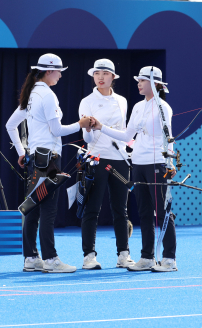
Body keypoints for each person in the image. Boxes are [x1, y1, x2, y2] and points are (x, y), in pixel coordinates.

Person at [5, 53, 91, 273]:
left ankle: (31, 258)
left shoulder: (32, 94)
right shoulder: (47, 95)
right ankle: (50, 259)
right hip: (49, 160)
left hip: (36, 158)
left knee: (33, 207)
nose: (61, 76)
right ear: (50, 71)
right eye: (59, 71)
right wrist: (80, 125)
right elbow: (56, 130)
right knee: (48, 210)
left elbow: (10, 125)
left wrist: (22, 151)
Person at [90, 66, 177, 272]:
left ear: (155, 84)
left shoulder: (163, 107)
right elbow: (127, 135)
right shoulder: (138, 106)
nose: (139, 83)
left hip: (157, 163)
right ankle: (147, 257)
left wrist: (170, 162)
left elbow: (168, 136)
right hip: (137, 163)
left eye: (143, 80)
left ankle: (169, 258)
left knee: (163, 212)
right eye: (138, 80)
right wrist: (101, 127)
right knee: (145, 212)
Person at [77, 59, 135, 270]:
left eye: (105, 73)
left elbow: (124, 131)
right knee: (92, 209)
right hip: (97, 160)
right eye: (97, 73)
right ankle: (89, 256)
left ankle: (123, 254)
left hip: (120, 160)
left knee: (121, 209)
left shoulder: (122, 101)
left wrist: (133, 147)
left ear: (112, 77)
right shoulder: (86, 101)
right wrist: (89, 129)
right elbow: (88, 139)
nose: (100, 77)